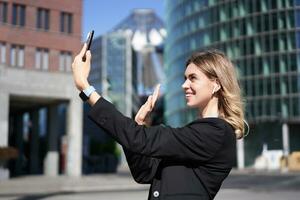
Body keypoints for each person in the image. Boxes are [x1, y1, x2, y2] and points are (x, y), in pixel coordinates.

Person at [71, 43, 246, 200]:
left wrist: (86, 88)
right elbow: (145, 173)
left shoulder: (216, 132)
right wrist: (139, 122)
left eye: (193, 78)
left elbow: (137, 138)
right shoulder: (197, 134)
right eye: (185, 78)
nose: (184, 85)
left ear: (216, 84)